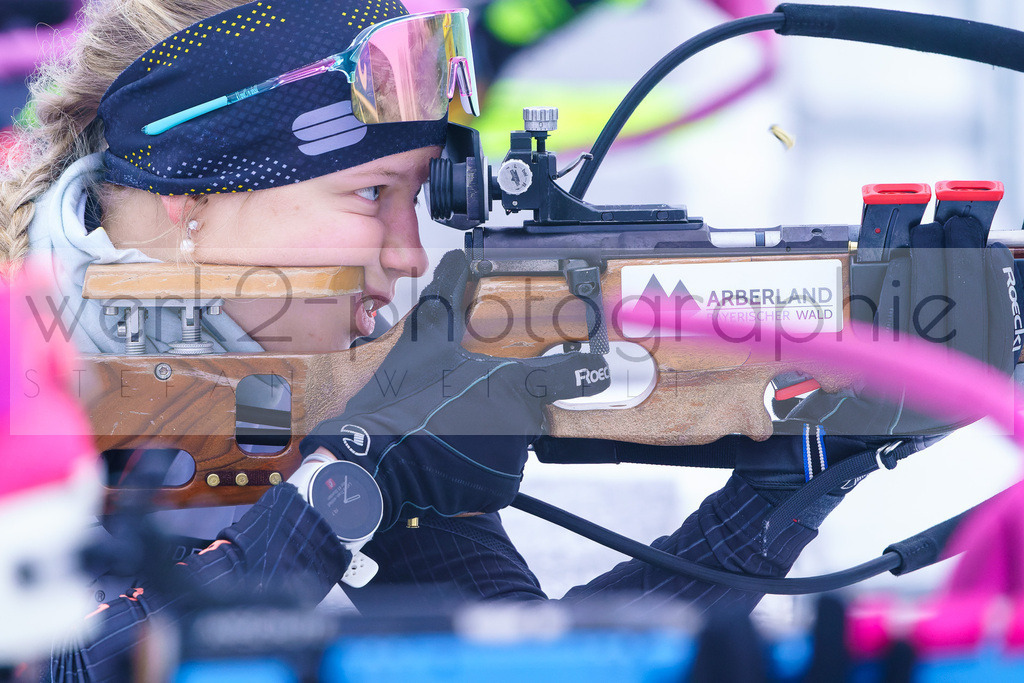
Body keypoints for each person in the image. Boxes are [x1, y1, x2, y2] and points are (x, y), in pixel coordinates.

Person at [0, 0, 1017, 680]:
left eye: (416, 203)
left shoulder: (331, 380)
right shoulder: (21, 362)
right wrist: (352, 481)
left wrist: (784, 492)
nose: (409, 254)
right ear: (190, 197)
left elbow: (534, 657)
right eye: (370, 197)